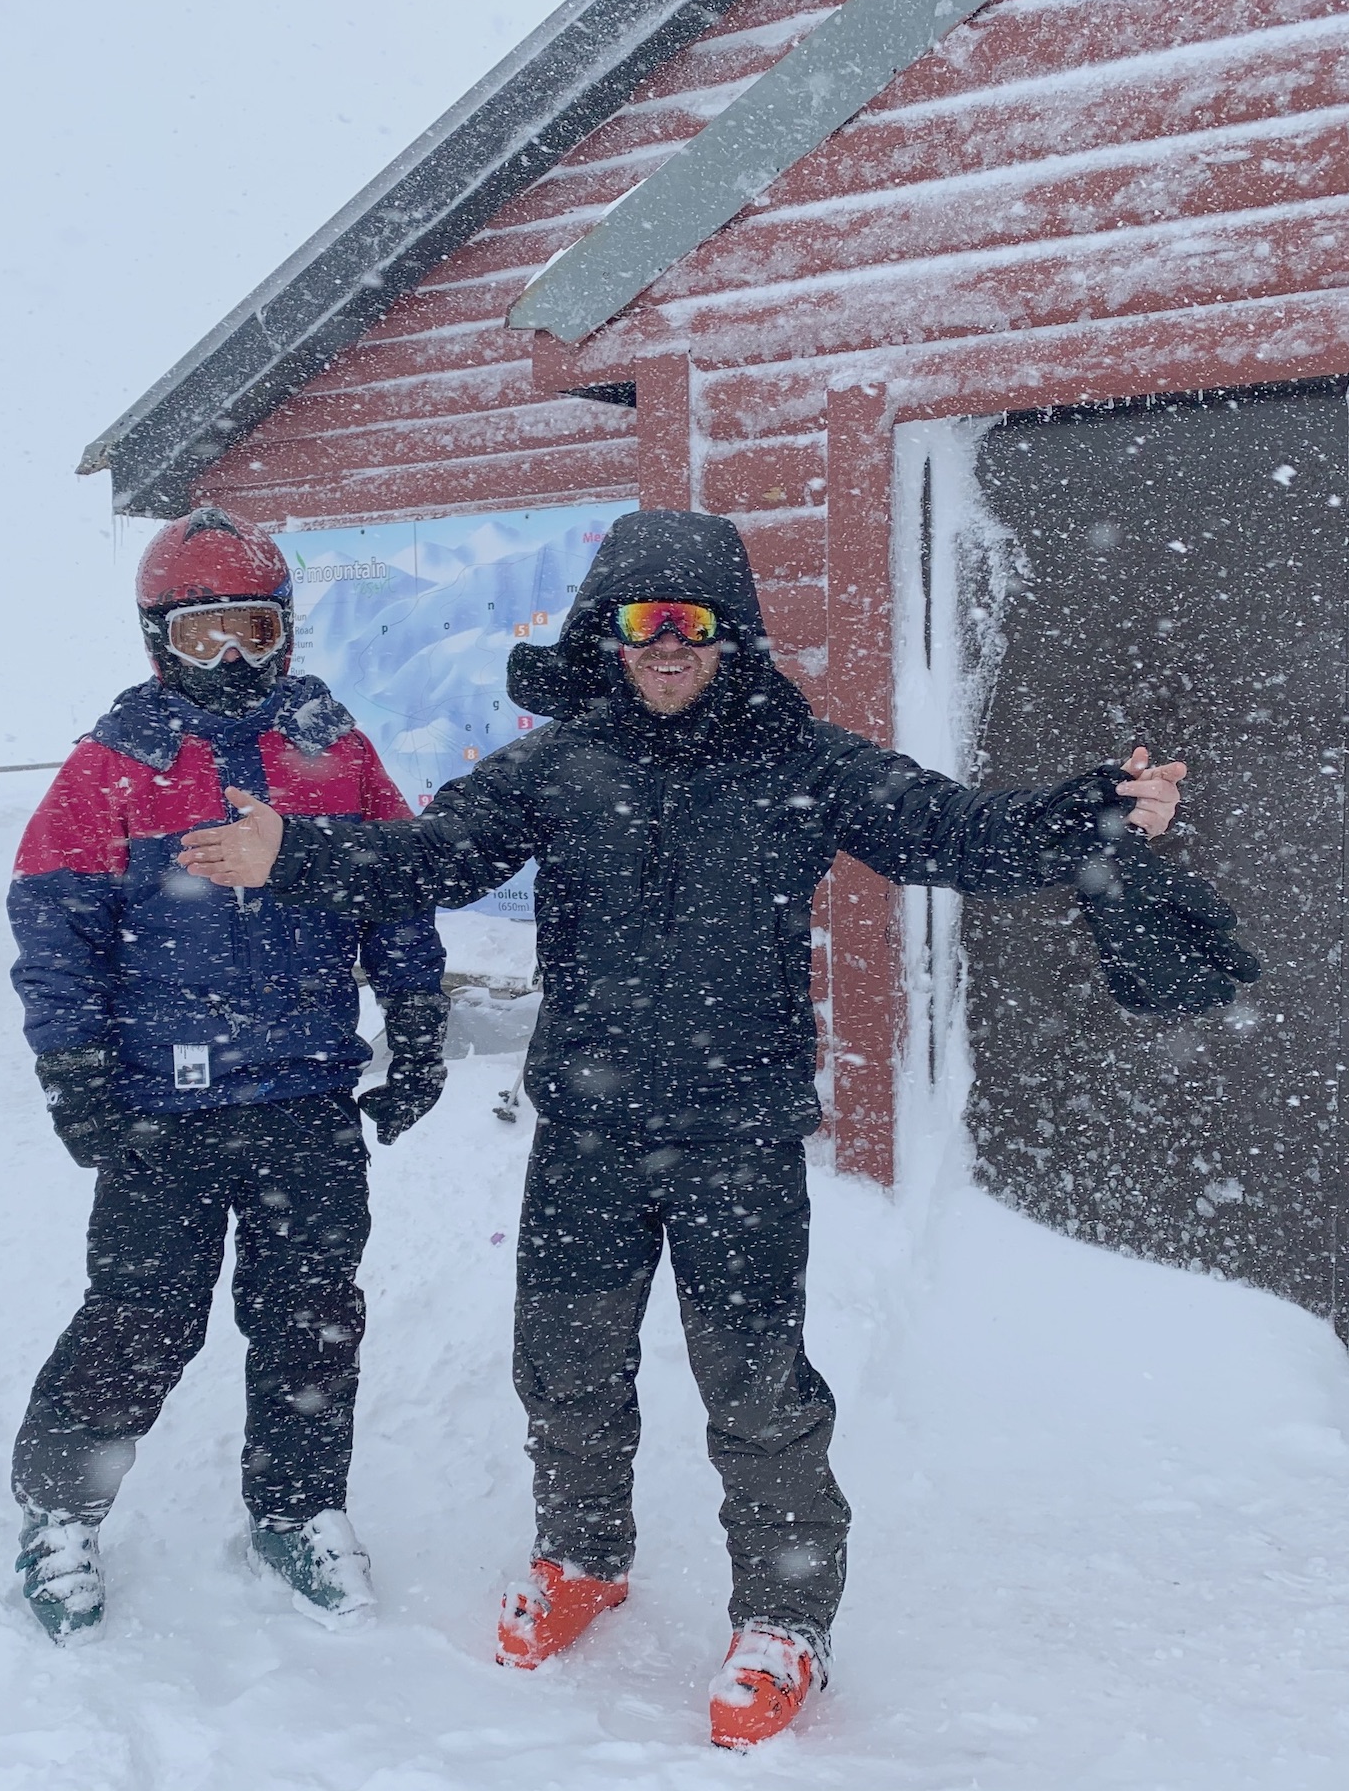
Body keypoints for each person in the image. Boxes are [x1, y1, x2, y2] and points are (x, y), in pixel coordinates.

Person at [178, 509, 1255, 1746]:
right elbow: (433, 858)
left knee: (757, 1388)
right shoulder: (558, 765)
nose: (668, 643)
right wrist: (294, 853)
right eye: (644, 620)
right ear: (611, 632)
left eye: (691, 621)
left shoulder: (803, 763)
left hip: (739, 1134)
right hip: (586, 1135)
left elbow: (955, 832)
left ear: (728, 633)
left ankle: (785, 1619)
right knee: (567, 1368)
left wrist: (1091, 811)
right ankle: (583, 1556)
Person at [6, 507, 451, 1641]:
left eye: (252, 631)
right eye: (203, 636)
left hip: (305, 1095)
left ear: (286, 630)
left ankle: (298, 1509)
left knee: (312, 1318)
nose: (234, 660)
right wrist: (73, 1064)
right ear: (159, 640)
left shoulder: (332, 748)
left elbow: (396, 886)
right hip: (165, 1106)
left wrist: (417, 1018)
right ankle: (61, 1511)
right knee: (141, 1316)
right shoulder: (119, 762)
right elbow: (53, 921)